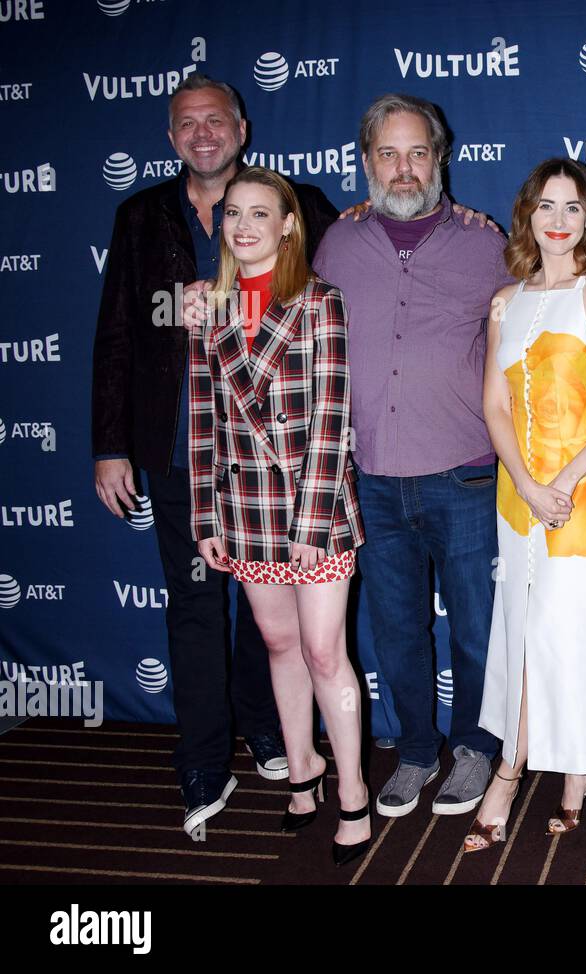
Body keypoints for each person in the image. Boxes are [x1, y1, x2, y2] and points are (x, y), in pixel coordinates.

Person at [90, 73, 337, 835]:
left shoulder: (299, 204)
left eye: (215, 120)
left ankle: (266, 728)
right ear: (171, 139)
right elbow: (118, 334)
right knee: (197, 603)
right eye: (187, 123)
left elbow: (350, 267)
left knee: (273, 618)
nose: (203, 133)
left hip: (274, 457)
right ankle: (201, 759)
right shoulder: (140, 216)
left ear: (242, 128)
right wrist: (109, 447)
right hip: (179, 448)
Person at [312, 94, 513, 819]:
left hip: (464, 473)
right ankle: (417, 752)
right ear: (367, 162)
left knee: (477, 627)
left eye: (417, 153)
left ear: (441, 157)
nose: (404, 169)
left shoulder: (486, 244)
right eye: (389, 155)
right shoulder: (336, 242)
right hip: (370, 479)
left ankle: (476, 751)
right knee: (396, 629)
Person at [465, 158, 586, 851]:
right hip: (516, 499)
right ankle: (510, 769)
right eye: (546, 205)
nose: (557, 219)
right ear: (527, 215)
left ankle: (578, 769)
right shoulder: (505, 302)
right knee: (520, 630)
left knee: (574, 631)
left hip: (585, 494)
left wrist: (567, 480)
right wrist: (521, 479)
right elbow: (491, 404)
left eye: (573, 207)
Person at [189, 166, 370, 867]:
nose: (244, 225)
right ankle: (303, 771)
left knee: (326, 651)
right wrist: (208, 516)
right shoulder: (207, 308)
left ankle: (351, 790)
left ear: (288, 224)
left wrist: (309, 524)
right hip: (245, 510)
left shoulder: (320, 302)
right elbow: (204, 419)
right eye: (234, 213)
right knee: (277, 645)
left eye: (261, 214)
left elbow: (331, 421)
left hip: (312, 506)